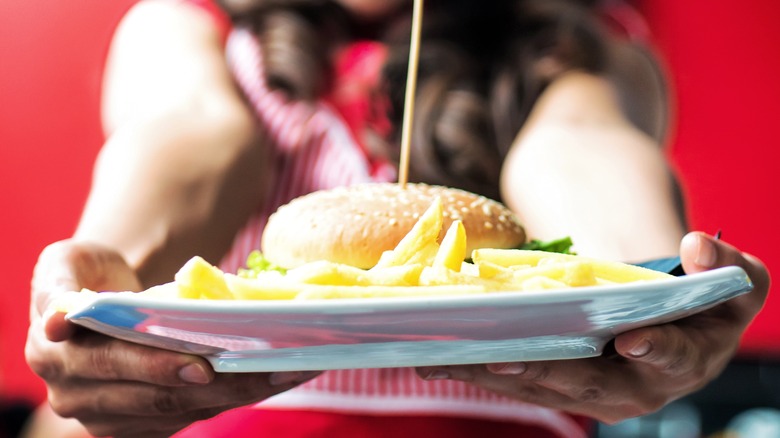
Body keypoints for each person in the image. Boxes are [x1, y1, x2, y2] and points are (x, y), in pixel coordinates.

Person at [23, 0, 770, 437]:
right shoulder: (191, 26)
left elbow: (580, 145)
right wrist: (103, 287)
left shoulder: (578, 42)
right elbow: (189, 136)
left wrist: (658, 289)